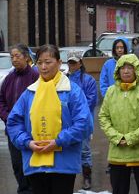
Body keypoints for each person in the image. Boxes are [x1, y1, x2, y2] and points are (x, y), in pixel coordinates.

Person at [7, 44, 91, 194]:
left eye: (48, 62)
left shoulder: (72, 91)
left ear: (59, 63)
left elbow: (84, 124)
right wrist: (27, 142)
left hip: (63, 163)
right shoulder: (30, 93)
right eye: (40, 63)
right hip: (35, 162)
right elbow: (13, 123)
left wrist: (58, 141)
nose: (43, 67)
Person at [99, 54, 139, 194]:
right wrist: (117, 138)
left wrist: (131, 138)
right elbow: (103, 117)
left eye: (129, 68)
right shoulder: (110, 92)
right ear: (117, 70)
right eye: (122, 68)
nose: (126, 71)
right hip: (117, 153)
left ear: (136, 70)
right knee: (119, 189)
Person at [0, 44, 39, 194]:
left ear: (26, 57)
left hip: (30, 130)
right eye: (12, 57)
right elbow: (1, 100)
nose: (14, 59)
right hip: (12, 130)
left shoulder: (35, 76)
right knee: (17, 164)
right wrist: (7, 117)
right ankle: (23, 190)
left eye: (17, 56)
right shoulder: (9, 78)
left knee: (30, 163)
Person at [66, 51, 98, 190]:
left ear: (80, 62)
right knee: (67, 149)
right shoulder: (63, 79)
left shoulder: (88, 80)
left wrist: (76, 112)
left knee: (84, 150)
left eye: (75, 62)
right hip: (66, 121)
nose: (72, 65)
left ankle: (87, 178)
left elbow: (91, 101)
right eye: (70, 62)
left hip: (83, 121)